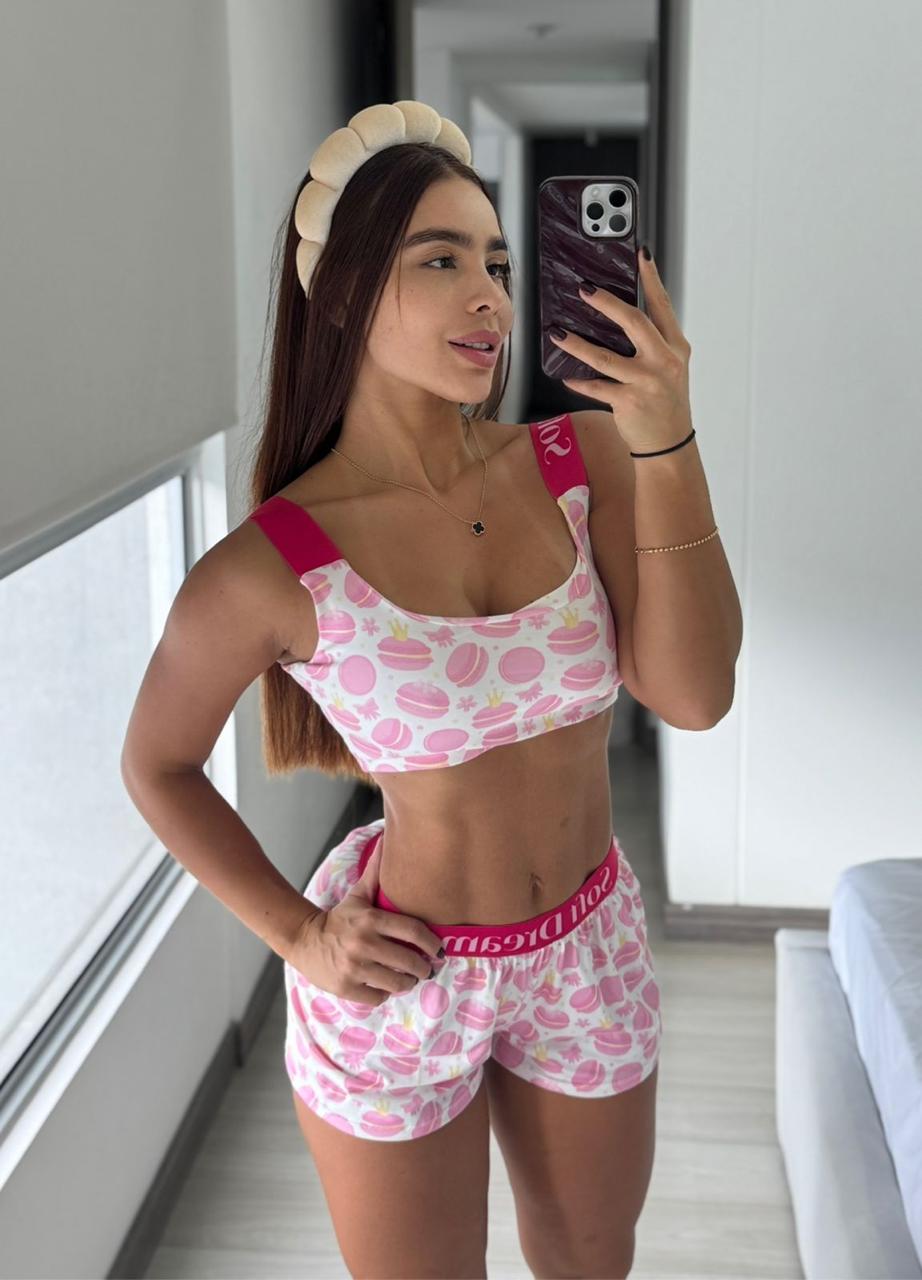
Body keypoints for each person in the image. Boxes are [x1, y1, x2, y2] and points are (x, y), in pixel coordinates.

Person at [122, 100, 737, 1280]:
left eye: (498, 264)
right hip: (403, 974)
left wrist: (666, 437)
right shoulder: (269, 564)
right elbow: (155, 762)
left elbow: (696, 694)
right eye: (441, 260)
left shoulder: (581, 460)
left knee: (590, 1261)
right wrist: (299, 933)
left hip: (587, 944)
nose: (490, 297)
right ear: (342, 293)